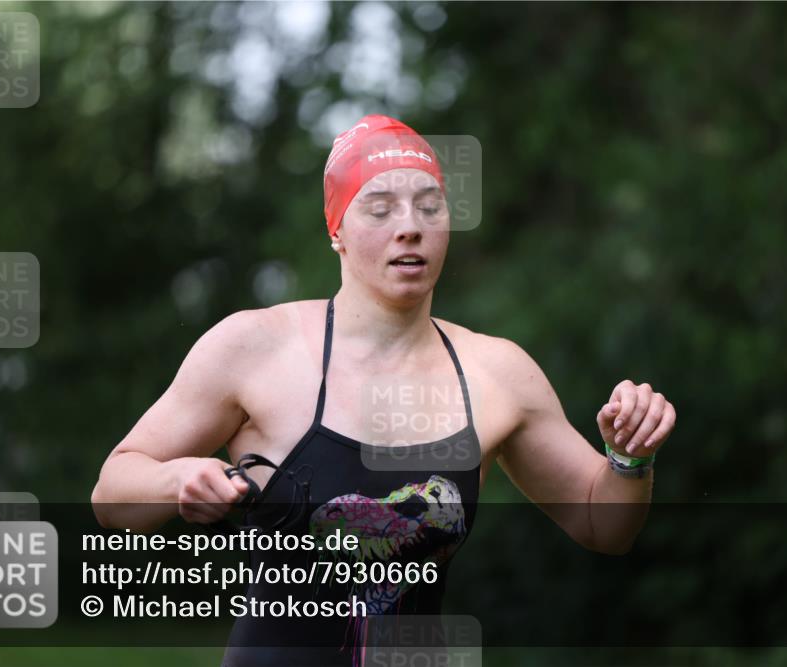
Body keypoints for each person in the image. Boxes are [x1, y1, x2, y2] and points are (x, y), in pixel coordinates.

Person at [91, 114, 677, 666]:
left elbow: (604, 528)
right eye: (379, 208)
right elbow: (112, 492)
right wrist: (173, 481)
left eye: (430, 207)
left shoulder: (498, 374)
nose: (411, 227)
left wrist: (630, 456)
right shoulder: (256, 348)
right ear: (336, 230)